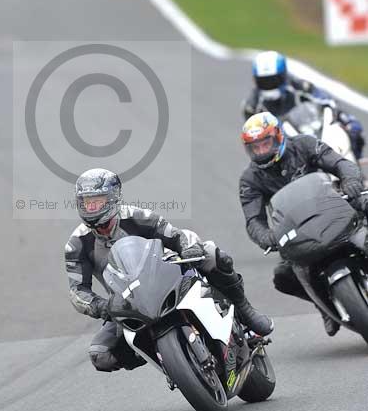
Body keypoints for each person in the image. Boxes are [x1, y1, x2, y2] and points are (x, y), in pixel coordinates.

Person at [65, 167, 273, 373]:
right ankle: (161, 356)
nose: (91, 208)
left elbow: (176, 235)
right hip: (129, 303)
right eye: (87, 203)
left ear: (112, 198)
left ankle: (245, 311)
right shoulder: (77, 244)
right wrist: (102, 306)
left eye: (97, 201)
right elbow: (77, 291)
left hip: (166, 278)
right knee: (100, 355)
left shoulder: (138, 216)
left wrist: (188, 248)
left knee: (210, 253)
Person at [239, 111, 365, 336]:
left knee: (364, 203)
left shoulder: (305, 144)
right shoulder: (250, 180)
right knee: (283, 276)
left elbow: (340, 162)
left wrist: (351, 180)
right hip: (298, 231)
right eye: (255, 147)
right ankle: (323, 305)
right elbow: (253, 220)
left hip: (333, 209)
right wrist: (266, 237)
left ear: (278, 136)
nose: (261, 151)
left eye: (265, 143)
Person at [242, 50, 365, 160]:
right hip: (281, 142)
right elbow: (252, 137)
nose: (269, 85)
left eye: (273, 80)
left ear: (283, 76)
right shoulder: (251, 106)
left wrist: (345, 119)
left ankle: (354, 166)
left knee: (353, 129)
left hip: (309, 130)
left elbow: (327, 101)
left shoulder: (300, 86)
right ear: (255, 80)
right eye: (263, 81)